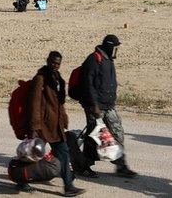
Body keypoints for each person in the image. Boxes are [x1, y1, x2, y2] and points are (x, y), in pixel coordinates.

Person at [75, 34, 137, 179]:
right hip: (95, 107)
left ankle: (121, 166)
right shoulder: (93, 59)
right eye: (116, 48)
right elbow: (87, 84)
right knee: (95, 138)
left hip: (108, 105)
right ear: (110, 46)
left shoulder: (108, 60)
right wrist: (94, 105)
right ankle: (84, 166)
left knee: (117, 133)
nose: (117, 51)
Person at [27, 51, 86, 196]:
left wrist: (64, 119)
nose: (55, 65)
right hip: (42, 126)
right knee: (31, 155)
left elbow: (59, 104)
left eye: (58, 63)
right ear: (47, 61)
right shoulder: (40, 78)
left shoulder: (58, 78)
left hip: (55, 126)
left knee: (64, 154)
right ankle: (21, 179)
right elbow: (34, 103)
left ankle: (68, 185)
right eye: (53, 62)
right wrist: (35, 126)